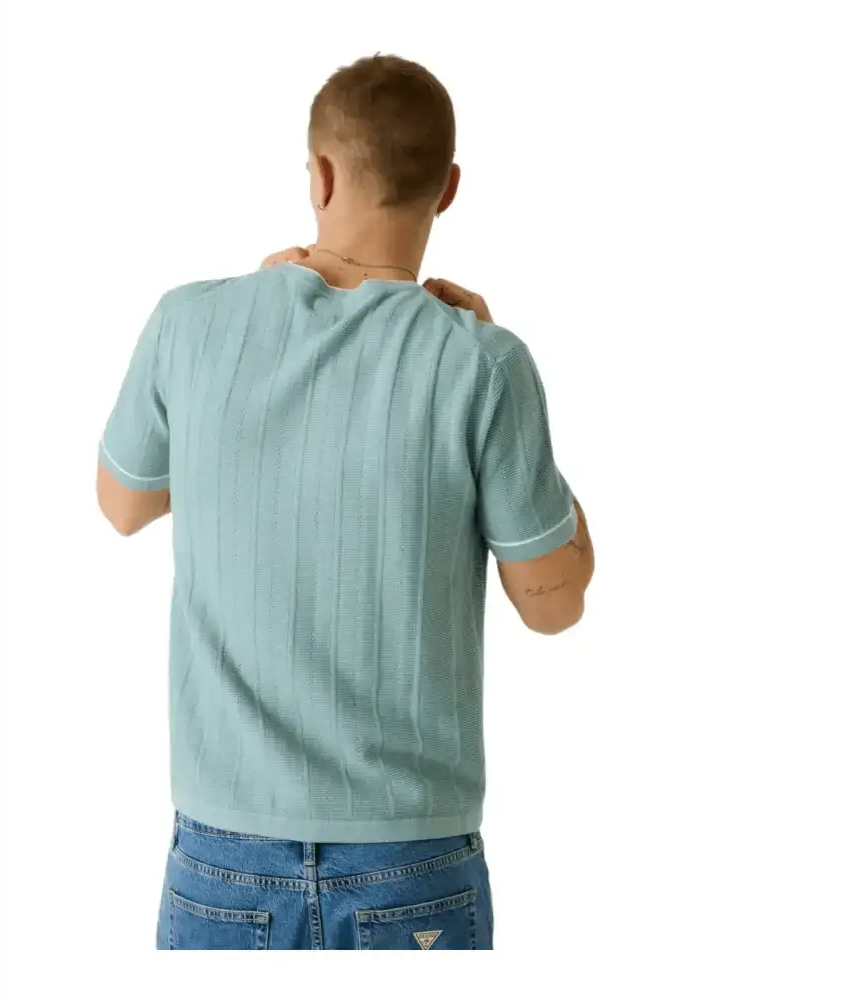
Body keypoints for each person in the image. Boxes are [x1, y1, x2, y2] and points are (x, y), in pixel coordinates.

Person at [97, 54, 594, 951]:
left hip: (221, 861)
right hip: (414, 868)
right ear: (447, 189)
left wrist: (237, 356)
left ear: (320, 176)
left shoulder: (189, 323)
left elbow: (123, 504)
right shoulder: (483, 364)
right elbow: (554, 605)